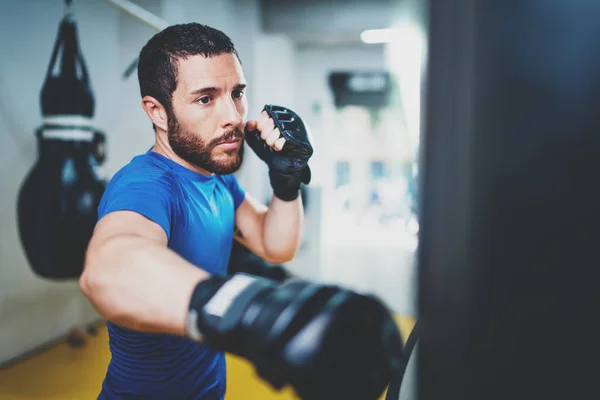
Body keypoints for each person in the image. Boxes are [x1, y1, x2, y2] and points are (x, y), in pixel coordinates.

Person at [80, 23, 402, 400]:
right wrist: (251, 312)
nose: (232, 115)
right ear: (158, 112)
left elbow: (275, 245)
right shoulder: (146, 185)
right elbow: (108, 269)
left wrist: (286, 179)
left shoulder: (216, 179)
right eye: (206, 98)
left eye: (237, 93)